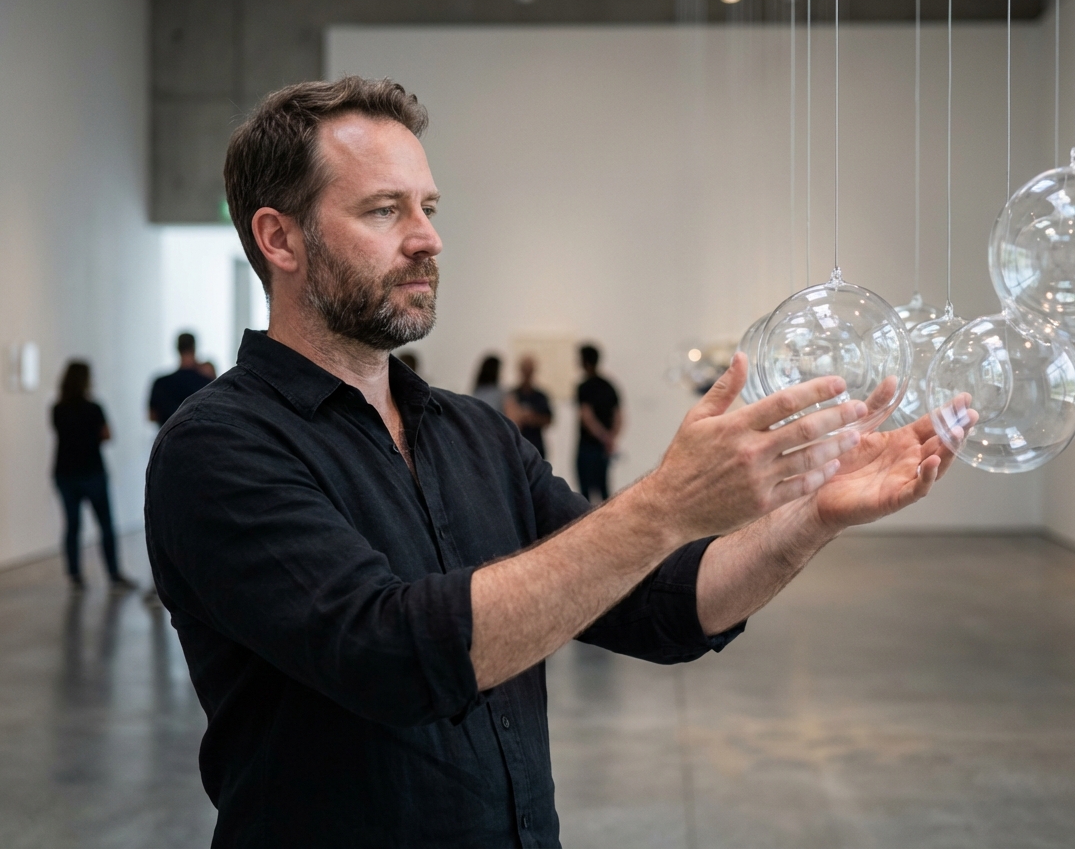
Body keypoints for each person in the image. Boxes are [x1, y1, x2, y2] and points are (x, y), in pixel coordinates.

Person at [145, 77, 973, 848]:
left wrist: (810, 519)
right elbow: (391, 657)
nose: (428, 239)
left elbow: (664, 605)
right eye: (384, 210)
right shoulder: (217, 447)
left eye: (430, 207)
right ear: (278, 238)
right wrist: (667, 505)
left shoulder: (475, 435)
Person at [51, 361, 135, 592]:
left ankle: (75, 575)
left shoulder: (57, 408)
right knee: (105, 525)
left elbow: (61, 434)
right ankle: (114, 573)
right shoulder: (94, 408)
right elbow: (107, 435)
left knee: (72, 525)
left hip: (65, 473)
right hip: (92, 471)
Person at [576, 344, 622, 502]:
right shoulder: (609, 386)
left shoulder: (584, 387)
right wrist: (610, 438)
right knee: (603, 490)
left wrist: (602, 436)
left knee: (585, 493)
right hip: (603, 447)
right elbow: (618, 417)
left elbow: (586, 416)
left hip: (588, 446)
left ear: (585, 362)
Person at [148, 332, 214, 427]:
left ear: (177, 349)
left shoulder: (161, 383)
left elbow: (152, 416)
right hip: (199, 438)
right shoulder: (206, 384)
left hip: (169, 439)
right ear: (194, 349)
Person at [505, 355, 553, 458]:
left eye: (529, 370)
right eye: (525, 369)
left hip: (536, 447)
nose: (527, 373)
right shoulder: (512, 395)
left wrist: (532, 418)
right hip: (517, 448)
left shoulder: (540, 396)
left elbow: (548, 419)